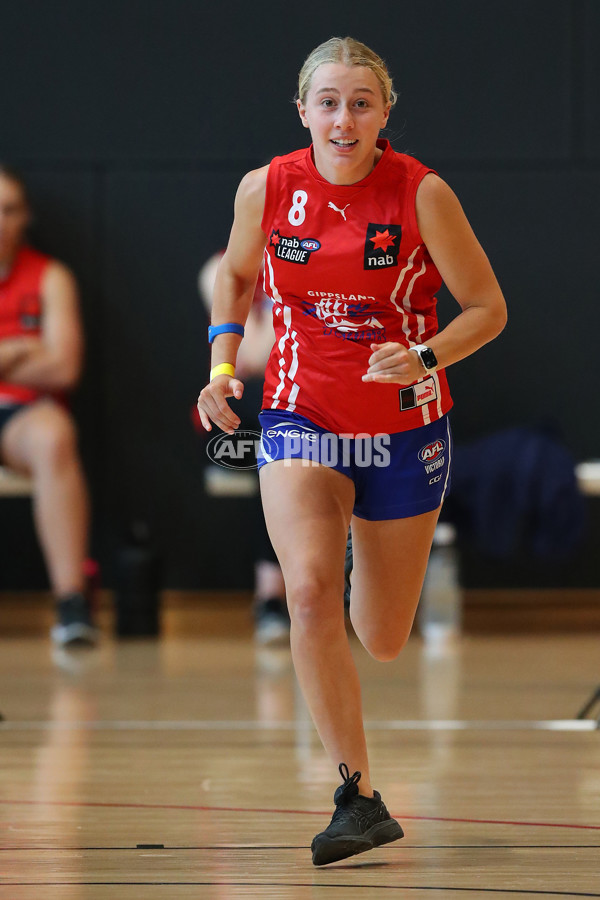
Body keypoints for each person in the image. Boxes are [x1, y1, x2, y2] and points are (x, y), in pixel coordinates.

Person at [197, 37, 507, 866]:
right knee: (306, 592)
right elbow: (232, 277)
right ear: (302, 111)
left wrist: (426, 355)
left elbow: (487, 307)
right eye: (327, 102)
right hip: (301, 415)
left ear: (385, 114)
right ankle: (357, 797)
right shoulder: (267, 187)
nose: (344, 118)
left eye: (360, 102)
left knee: (382, 637)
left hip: (404, 426)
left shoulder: (421, 193)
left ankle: (379, 566)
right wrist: (224, 366)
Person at [0, 164, 97, 647]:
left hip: (22, 415)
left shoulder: (49, 276)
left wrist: (28, 360)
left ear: (25, 216)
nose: (0, 220)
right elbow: (43, 356)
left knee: (54, 434)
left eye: (9, 209)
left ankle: (70, 603)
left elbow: (62, 368)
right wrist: (17, 350)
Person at [198, 252, 289, 645]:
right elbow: (252, 356)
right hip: (235, 411)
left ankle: (279, 597)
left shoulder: (315, 260)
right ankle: (273, 597)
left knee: (282, 456)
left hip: (297, 405)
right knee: (274, 445)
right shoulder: (218, 269)